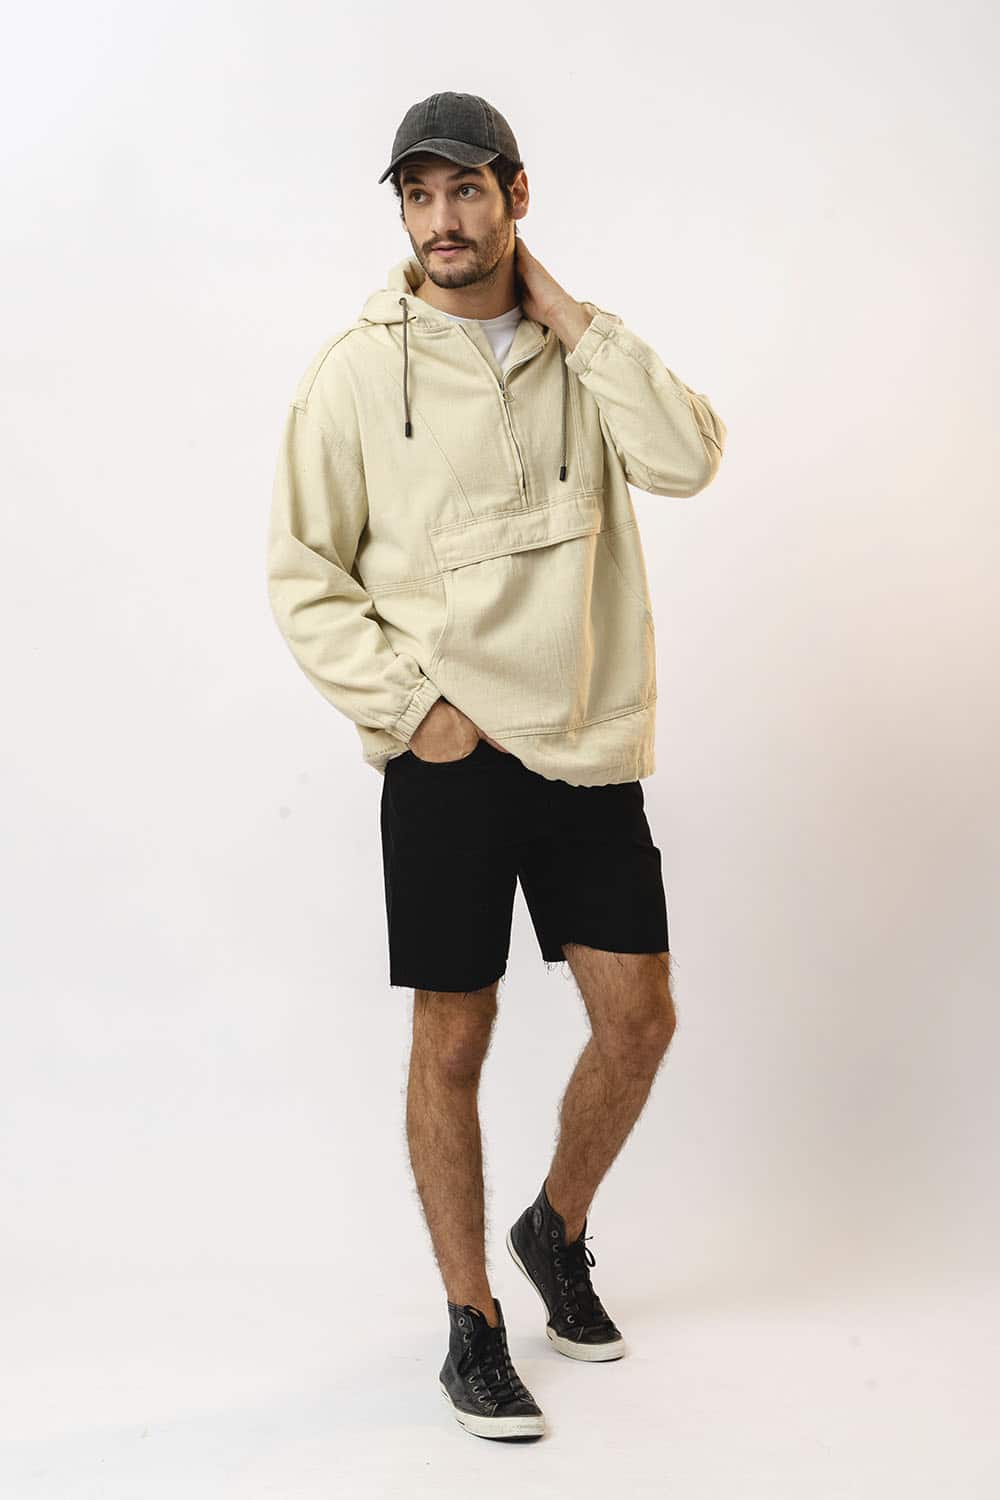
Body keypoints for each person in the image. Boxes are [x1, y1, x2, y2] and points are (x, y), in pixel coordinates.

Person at [266, 91, 727, 1441]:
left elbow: (688, 460)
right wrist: (414, 711)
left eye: (465, 190)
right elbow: (303, 575)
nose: (442, 221)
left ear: (516, 195)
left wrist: (570, 316)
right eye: (418, 196)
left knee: (640, 1020)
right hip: (451, 755)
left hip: (585, 740)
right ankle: (471, 1320)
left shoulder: (583, 350)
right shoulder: (355, 375)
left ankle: (554, 1229)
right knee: (453, 1035)